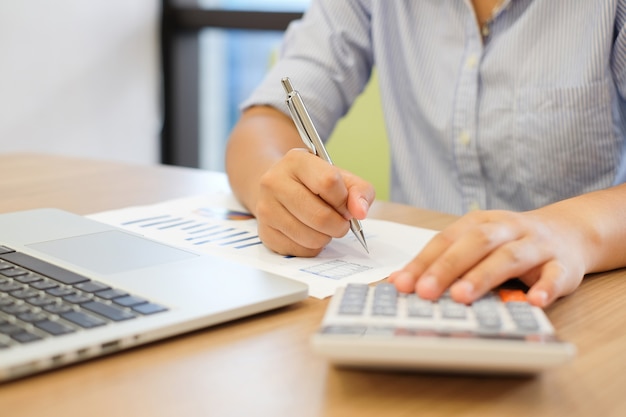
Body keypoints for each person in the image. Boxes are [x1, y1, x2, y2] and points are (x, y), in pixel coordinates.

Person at [225, 0, 626, 307]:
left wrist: (574, 231)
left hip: (585, 300)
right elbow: (263, 122)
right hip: (414, 290)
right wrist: (278, 188)